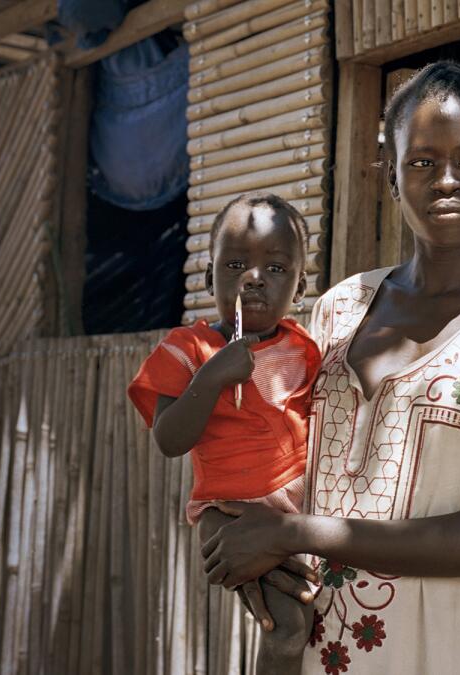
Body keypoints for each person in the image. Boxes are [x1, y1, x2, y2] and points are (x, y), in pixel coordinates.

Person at [200, 61, 460, 674]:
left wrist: (293, 535)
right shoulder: (338, 310)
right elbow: (267, 460)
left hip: (450, 654)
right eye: (422, 162)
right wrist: (232, 528)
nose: (446, 180)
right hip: (317, 652)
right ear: (391, 178)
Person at [127, 192, 322, 673]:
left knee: (317, 621)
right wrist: (211, 377)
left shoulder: (305, 348)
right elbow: (170, 440)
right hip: (230, 514)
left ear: (299, 288)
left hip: (299, 513)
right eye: (235, 264)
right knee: (289, 631)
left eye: (276, 269)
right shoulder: (186, 348)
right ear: (208, 275)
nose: (254, 278)